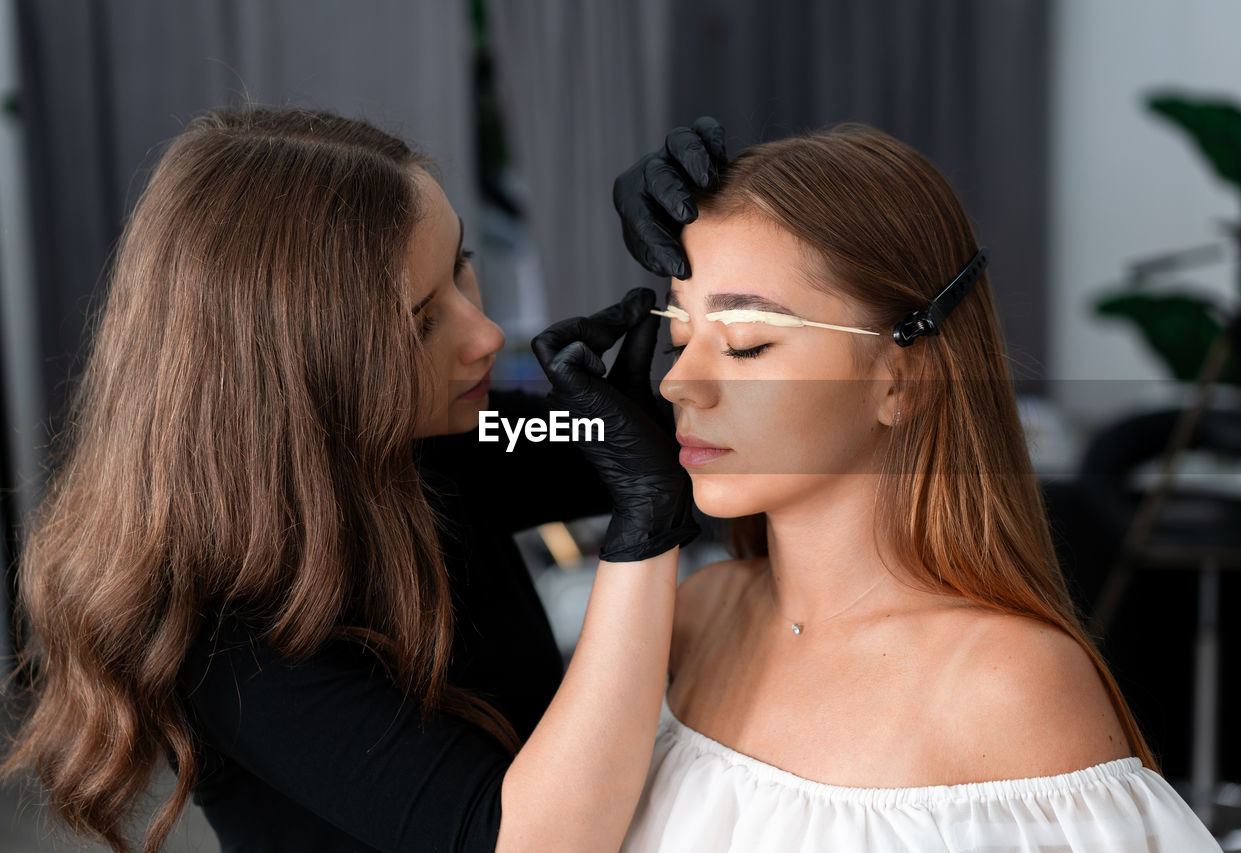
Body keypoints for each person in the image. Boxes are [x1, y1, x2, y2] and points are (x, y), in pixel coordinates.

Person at [1, 105, 724, 852]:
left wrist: (713, 228)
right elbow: (528, 841)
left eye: (460, 266)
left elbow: (677, 448)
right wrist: (643, 533)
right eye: (418, 323)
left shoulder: (437, 443)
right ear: (299, 373)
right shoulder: (227, 628)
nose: (485, 334)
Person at [617, 124, 1221, 851]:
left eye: (747, 343)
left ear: (902, 377)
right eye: (681, 337)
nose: (680, 381)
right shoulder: (698, 613)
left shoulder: (1007, 684)